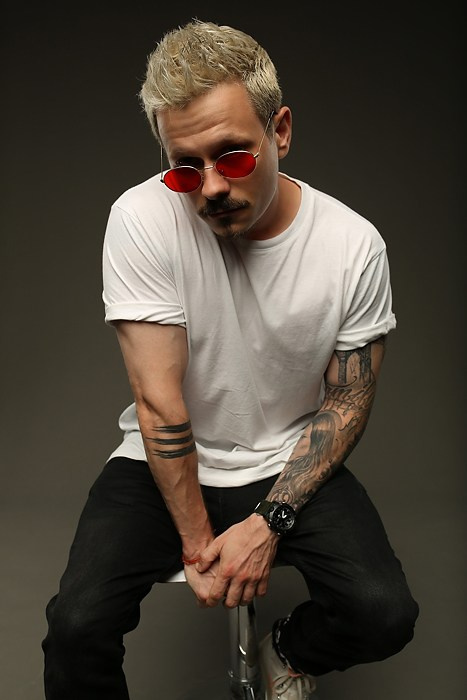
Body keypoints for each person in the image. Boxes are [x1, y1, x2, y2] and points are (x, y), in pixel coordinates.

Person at [42, 19, 419, 700]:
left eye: (233, 157)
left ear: (280, 131)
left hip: (286, 457)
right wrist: (198, 545)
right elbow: (159, 403)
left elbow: (347, 399)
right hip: (160, 463)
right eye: (185, 166)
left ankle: (288, 651)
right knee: (76, 626)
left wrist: (270, 520)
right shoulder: (141, 218)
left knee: (383, 612)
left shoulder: (352, 245)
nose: (211, 186)